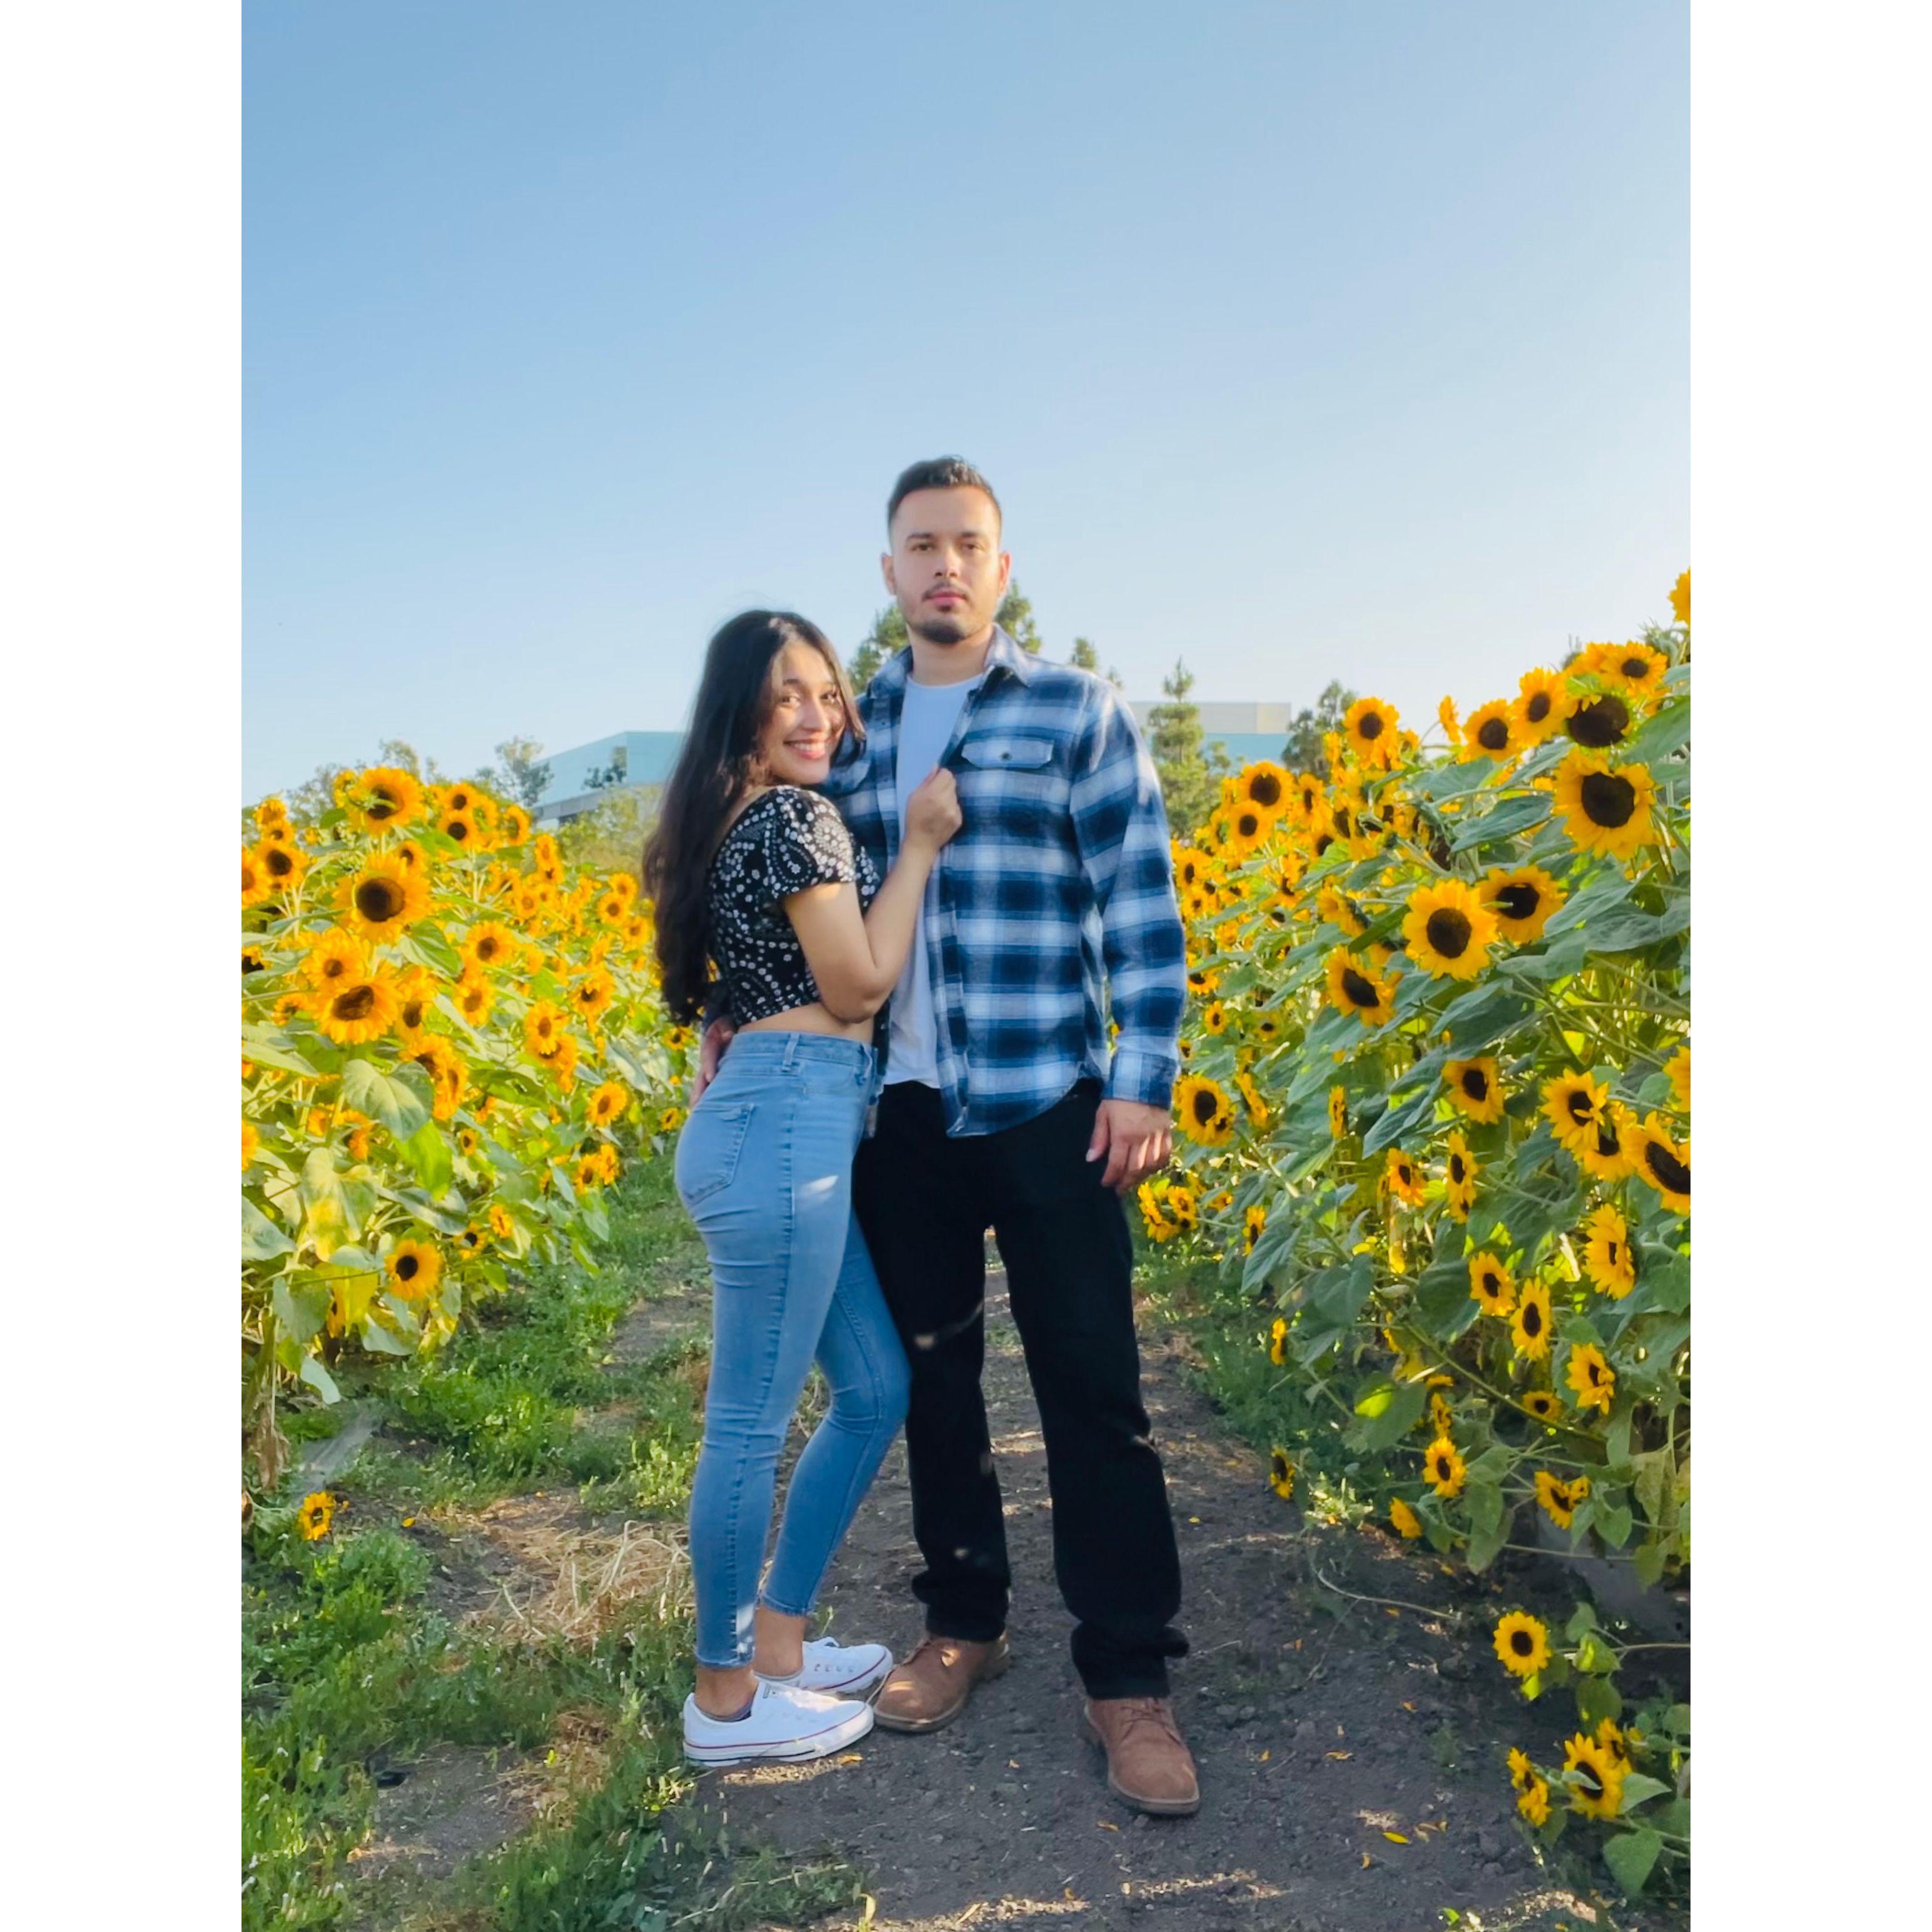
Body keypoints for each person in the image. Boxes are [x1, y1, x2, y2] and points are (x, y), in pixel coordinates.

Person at [699, 459, 1199, 1816]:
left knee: (1094, 1390)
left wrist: (1140, 1077)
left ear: (1001, 564)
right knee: (932, 1384)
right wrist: (730, 1016)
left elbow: (1139, 904)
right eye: (919, 545)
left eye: (966, 545)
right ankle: (962, 1620)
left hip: (1046, 1097)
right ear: (886, 572)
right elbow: (789, 902)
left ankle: (1126, 1676)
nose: (943, 566)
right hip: (898, 1117)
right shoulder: (845, 744)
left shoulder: (1072, 711)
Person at [642, 608, 962, 1766]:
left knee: (874, 1388)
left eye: (828, 693)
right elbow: (859, 982)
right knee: (747, 1425)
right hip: (785, 1125)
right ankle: (726, 1701)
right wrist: (921, 840)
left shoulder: (734, 818)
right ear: (743, 710)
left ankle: (779, 1642)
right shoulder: (791, 817)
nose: (818, 714)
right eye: (789, 694)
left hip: (786, 1118)